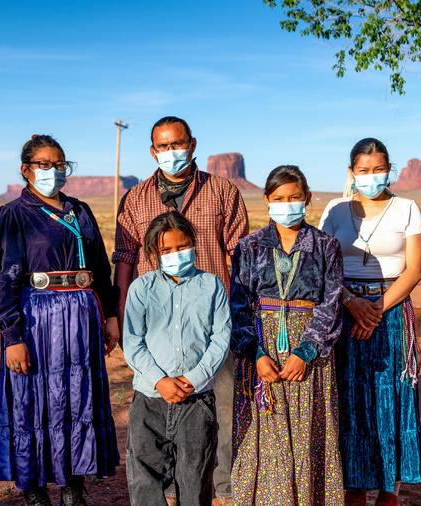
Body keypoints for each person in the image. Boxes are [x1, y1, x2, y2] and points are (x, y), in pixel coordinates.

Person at [114, 116, 248, 501]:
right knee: (156, 418)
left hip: (209, 324)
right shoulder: (136, 198)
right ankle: (168, 489)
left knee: (219, 414)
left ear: (192, 144)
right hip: (154, 324)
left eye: (178, 144)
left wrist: (237, 317)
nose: (172, 152)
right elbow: (124, 256)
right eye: (163, 146)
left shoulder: (222, 191)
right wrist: (118, 313)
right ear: (153, 151)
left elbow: (239, 254)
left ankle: (218, 489)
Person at [0, 134, 120, 506]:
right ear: (26, 170)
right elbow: (1, 279)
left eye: (60, 164)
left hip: (81, 319)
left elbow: (100, 269)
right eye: (44, 164)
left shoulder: (81, 210)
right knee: (33, 400)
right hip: (35, 320)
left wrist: (109, 314)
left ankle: (73, 485)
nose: (53, 170)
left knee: (79, 398)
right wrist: (12, 335)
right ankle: (35, 489)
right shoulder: (10, 216)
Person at [319, 138, 421, 506]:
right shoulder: (335, 211)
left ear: (389, 170)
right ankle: (352, 485)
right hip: (344, 310)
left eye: (379, 169)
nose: (371, 176)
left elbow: (414, 270)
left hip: (391, 311)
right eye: (363, 170)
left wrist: (375, 309)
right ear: (351, 172)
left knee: (389, 395)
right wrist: (351, 303)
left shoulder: (407, 209)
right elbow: (322, 265)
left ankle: (388, 490)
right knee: (348, 397)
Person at [229, 165, 345, 505]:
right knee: (264, 434)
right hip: (262, 352)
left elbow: (332, 302)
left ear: (307, 198)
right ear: (267, 200)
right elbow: (239, 306)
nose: (288, 204)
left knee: (311, 430)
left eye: (295, 197)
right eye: (279, 198)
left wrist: (306, 351)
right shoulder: (248, 247)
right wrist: (255, 353)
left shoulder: (325, 246)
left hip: (308, 353)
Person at [123, 211, 231, 506]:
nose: (175, 254)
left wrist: (192, 379)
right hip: (149, 398)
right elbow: (133, 342)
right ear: (154, 253)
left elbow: (220, 338)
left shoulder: (212, 286)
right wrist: (160, 381)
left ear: (194, 243)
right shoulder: (141, 289)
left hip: (196, 400)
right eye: (166, 250)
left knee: (194, 477)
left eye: (182, 246)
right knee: (145, 478)